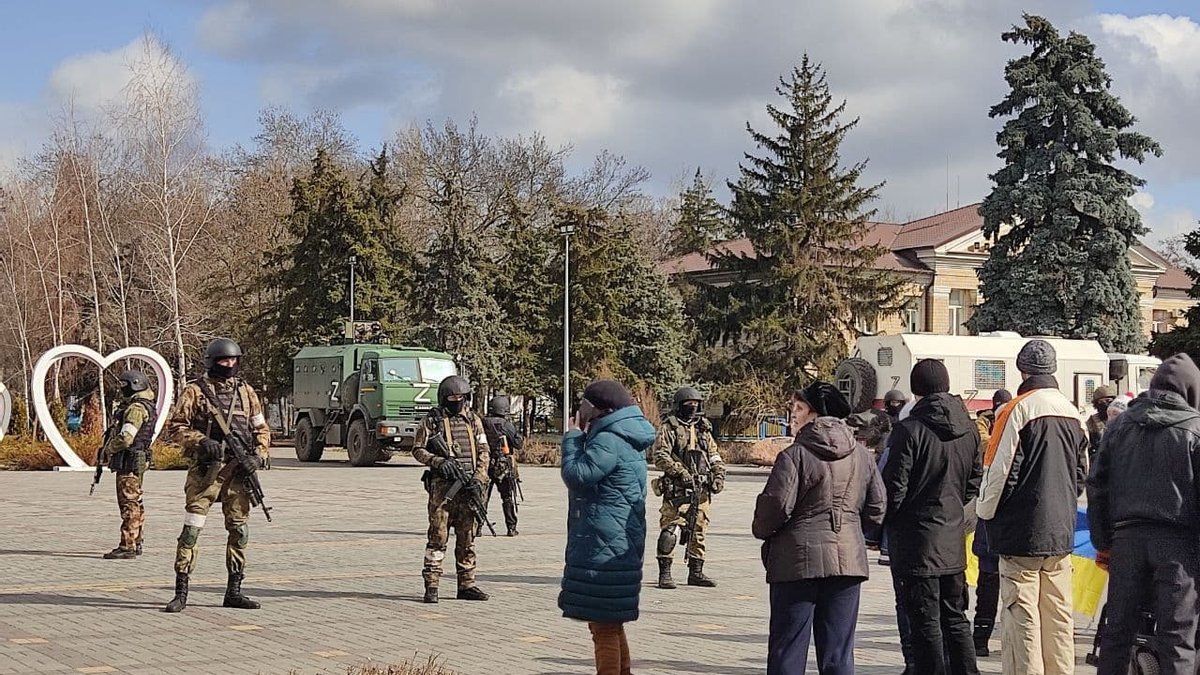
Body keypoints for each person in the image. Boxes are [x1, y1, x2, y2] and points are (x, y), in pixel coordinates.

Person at [753, 381, 886, 675]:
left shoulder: (794, 456)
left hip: (796, 564)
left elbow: (773, 509)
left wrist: (765, 531)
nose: (792, 416)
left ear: (816, 415)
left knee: (787, 651)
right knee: (838, 655)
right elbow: (877, 508)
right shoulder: (862, 455)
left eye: (798, 409)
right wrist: (850, 533)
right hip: (847, 565)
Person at [977, 339, 1088, 675]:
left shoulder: (1015, 410)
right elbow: (1081, 474)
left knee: (1021, 614)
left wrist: (985, 512)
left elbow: (1000, 473)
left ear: (1022, 370)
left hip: (1021, 533)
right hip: (1060, 532)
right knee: (1057, 615)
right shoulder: (1073, 413)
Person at [1088, 354, 1200, 675]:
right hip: (1179, 546)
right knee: (1177, 639)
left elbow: (1097, 486)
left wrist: (1104, 541)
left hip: (1126, 540)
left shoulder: (1119, 426)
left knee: (1117, 633)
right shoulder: (1195, 430)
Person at [882, 359, 981, 675]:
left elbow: (893, 489)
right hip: (952, 539)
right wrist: (950, 508)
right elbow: (973, 483)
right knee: (955, 617)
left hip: (916, 543)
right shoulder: (969, 431)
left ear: (916, 390)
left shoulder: (908, 431)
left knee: (924, 621)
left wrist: (888, 521)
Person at [163, 338, 272, 613]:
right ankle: (181, 591)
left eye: (234, 360)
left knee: (239, 530)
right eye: (225, 361)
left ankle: (234, 590)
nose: (230, 365)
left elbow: (261, 429)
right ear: (212, 362)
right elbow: (175, 427)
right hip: (206, 472)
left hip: (238, 473)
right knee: (192, 529)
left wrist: (257, 456)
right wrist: (200, 441)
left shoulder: (246, 392)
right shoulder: (195, 391)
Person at [559, 380, 655, 675]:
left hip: (603, 542)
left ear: (597, 409)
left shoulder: (609, 439)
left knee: (603, 627)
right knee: (609, 622)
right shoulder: (624, 434)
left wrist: (573, 437)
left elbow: (577, 474)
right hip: (615, 539)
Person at [412, 375, 490, 604]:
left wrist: (479, 478)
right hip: (442, 491)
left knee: (467, 538)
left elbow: (484, 451)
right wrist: (438, 462)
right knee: (438, 537)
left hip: (468, 489)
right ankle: (432, 585)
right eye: (453, 398)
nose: (457, 401)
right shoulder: (432, 420)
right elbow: (417, 449)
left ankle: (467, 584)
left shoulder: (473, 420)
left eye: (461, 398)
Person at [652, 386, 726, 589]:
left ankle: (696, 572)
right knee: (671, 529)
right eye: (688, 404)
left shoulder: (703, 428)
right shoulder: (670, 427)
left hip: (701, 489)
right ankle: (665, 574)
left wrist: (718, 474)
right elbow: (660, 455)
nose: (692, 408)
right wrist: (679, 471)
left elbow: (714, 454)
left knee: (699, 529)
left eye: (695, 404)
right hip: (677, 489)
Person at [100, 370, 158, 559]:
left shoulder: (135, 409)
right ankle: (137, 540)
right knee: (136, 503)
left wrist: (108, 449)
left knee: (129, 504)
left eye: (124, 386)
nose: (121, 390)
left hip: (129, 460)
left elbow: (126, 438)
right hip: (136, 460)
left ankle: (128, 545)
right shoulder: (145, 405)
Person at [971, 389, 1011, 657]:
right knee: (988, 585)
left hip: (1006, 525)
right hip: (990, 522)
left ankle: (998, 637)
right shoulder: (983, 427)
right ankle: (981, 637)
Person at [482, 394, 523, 537]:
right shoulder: (506, 425)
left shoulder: (482, 422)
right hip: (503, 466)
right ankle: (511, 528)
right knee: (507, 497)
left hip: (485, 464)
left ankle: (477, 527)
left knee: (482, 496)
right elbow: (518, 444)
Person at [849, 389, 908, 459]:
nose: (895, 405)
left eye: (898, 403)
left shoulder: (905, 418)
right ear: (887, 403)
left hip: (897, 453)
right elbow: (859, 419)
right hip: (880, 453)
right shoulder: (879, 416)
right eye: (893, 402)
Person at [1086, 385, 1117, 457]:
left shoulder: (1121, 419)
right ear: (1096, 404)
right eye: (1101, 402)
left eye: (1108, 401)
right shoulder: (1092, 421)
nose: (1105, 404)